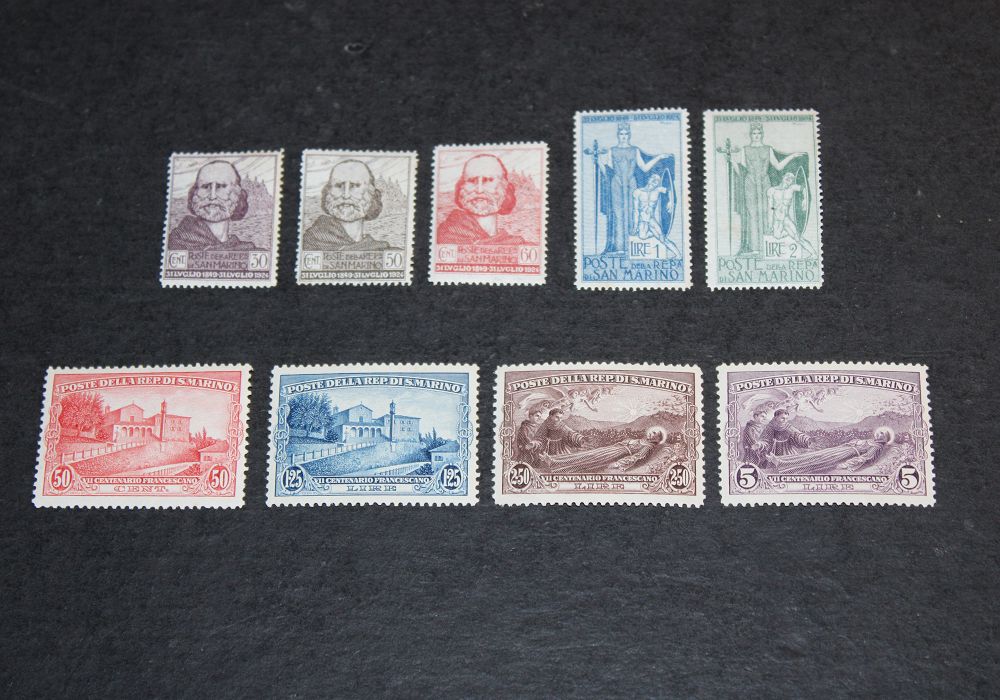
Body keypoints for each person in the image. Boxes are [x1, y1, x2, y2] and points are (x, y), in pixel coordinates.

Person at [730, 122, 807, 255]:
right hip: (750, 183)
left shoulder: (768, 149)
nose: (756, 136)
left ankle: (765, 244)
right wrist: (732, 162)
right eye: (754, 133)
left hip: (765, 182)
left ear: (762, 134)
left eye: (759, 133)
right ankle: (755, 248)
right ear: (750, 134)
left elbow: (778, 166)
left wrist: (792, 156)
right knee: (752, 213)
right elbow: (741, 169)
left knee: (767, 212)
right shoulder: (745, 149)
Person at [603, 121, 669, 255]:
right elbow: (608, 170)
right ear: (618, 135)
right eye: (621, 134)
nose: (624, 136)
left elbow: (644, 168)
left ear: (629, 135)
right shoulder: (612, 150)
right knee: (618, 213)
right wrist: (599, 163)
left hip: (631, 183)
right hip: (616, 184)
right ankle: (619, 247)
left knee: (632, 212)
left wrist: (659, 157)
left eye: (626, 134)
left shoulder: (635, 150)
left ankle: (630, 245)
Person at [168, 160, 257, 251]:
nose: (212, 196)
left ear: (237, 194)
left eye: (220, 186)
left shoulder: (248, 250)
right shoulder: (175, 244)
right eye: (205, 187)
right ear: (194, 193)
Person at [437, 155, 526, 245]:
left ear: (504, 187)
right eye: (471, 181)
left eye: (489, 180)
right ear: (461, 187)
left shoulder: (516, 244)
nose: (479, 190)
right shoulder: (443, 237)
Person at [302, 159, 384, 250]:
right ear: (328, 192)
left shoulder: (379, 249)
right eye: (338, 186)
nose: (346, 195)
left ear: (371, 193)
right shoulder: (309, 243)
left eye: (355, 186)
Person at [765, 427, 894, 474]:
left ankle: (785, 465)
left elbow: (865, 458)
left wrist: (846, 464)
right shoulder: (871, 441)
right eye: (879, 433)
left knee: (818, 460)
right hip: (841, 449)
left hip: (847, 453)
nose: (879, 434)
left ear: (885, 438)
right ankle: (781, 460)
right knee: (816, 454)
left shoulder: (877, 447)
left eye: (882, 434)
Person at [767, 172, 816, 257]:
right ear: (783, 177)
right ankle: (788, 233)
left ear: (792, 181)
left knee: (798, 238)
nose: (789, 178)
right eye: (787, 176)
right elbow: (770, 208)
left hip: (786, 219)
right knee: (777, 236)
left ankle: (814, 253)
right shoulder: (772, 190)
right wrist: (770, 223)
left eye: (792, 178)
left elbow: (804, 188)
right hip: (777, 219)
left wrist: (805, 199)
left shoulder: (792, 188)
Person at [631, 173, 680, 257]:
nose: (654, 181)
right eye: (653, 178)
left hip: (651, 219)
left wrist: (671, 201)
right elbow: (635, 210)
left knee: (663, 239)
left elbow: (670, 190)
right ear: (649, 179)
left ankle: (678, 255)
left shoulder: (658, 190)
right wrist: (635, 226)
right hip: (642, 220)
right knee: (642, 236)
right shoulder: (637, 192)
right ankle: (654, 233)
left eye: (657, 180)